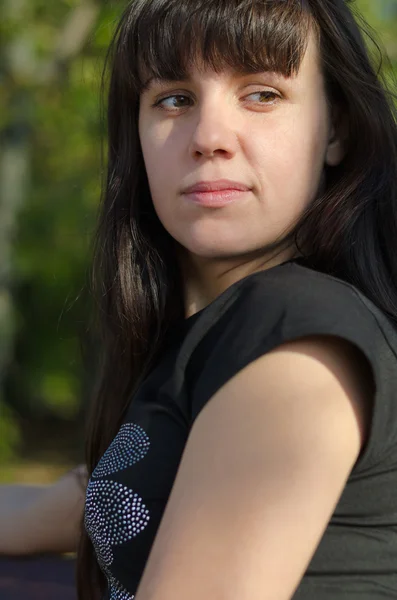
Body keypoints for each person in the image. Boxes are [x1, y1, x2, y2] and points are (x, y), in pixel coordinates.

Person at [3, 0, 397, 598]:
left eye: (262, 93)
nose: (209, 137)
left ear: (335, 129)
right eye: (174, 99)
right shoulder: (206, 341)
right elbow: (76, 503)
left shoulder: (293, 334)